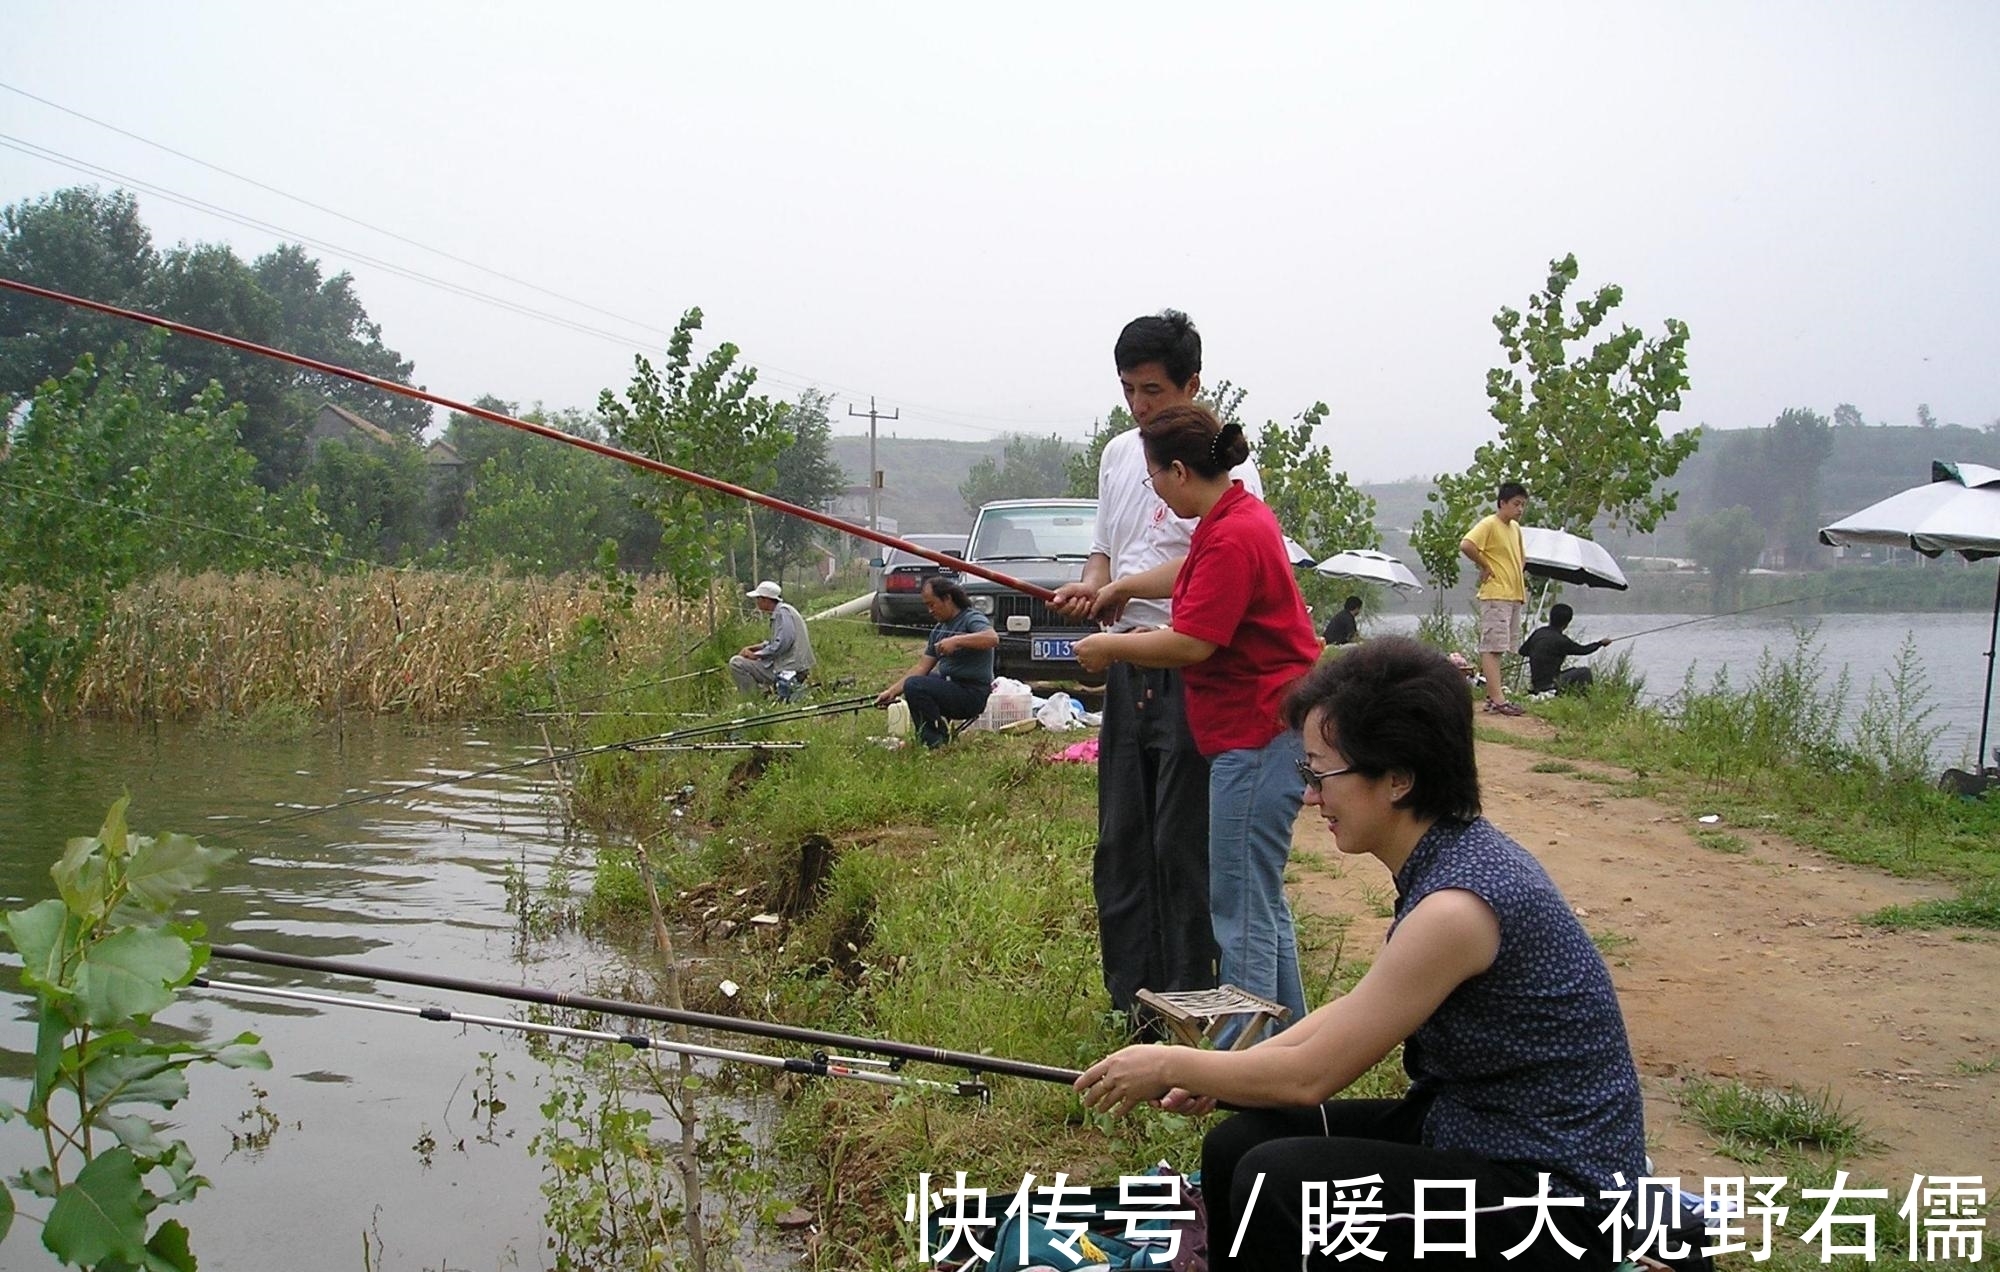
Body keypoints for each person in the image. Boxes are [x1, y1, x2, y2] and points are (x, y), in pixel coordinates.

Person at [1075, 637, 1647, 1270]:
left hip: (1557, 1192)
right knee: (1238, 1144)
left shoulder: (1457, 907)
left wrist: (1171, 1063)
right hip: (1468, 1127)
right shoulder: (1448, 859)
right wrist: (1218, 1071)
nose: (1311, 797)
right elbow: (1355, 1013)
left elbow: (1309, 1078)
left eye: (1319, 774)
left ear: (1398, 778)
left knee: (1279, 1182)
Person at [1050, 309, 1268, 1027]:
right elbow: (1104, 547)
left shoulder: (1226, 466)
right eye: (1128, 391)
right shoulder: (1119, 455)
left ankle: (1188, 1006)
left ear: (1191, 384)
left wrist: (1122, 595)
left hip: (1189, 664)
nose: (1140, 406)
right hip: (1128, 666)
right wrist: (1095, 583)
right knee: (1123, 840)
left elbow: (1215, 564)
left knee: (1182, 846)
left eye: (1153, 390)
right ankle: (1130, 1003)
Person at [1073, 402, 1318, 1029]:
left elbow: (1192, 643)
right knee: (1260, 906)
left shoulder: (1233, 534)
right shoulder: (1233, 517)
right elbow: (1190, 575)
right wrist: (1123, 588)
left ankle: (1246, 1068)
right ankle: (1288, 1048)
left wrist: (1110, 646)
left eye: (1153, 479)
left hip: (1256, 739)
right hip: (1263, 735)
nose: (1151, 490)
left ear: (1179, 472)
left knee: (1238, 911)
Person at [874, 577, 998, 748]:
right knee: (918, 682)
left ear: (947, 599)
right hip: (952, 687)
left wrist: (956, 641)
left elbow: (992, 638)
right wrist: (892, 691)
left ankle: (934, 742)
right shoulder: (939, 630)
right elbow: (921, 667)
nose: (930, 610)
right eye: (927, 605)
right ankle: (933, 734)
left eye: (932, 604)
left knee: (916, 686)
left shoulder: (971, 618)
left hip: (972, 693)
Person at [1459, 481, 1530, 716]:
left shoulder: (1515, 529)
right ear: (1502, 503)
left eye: (1523, 505)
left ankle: (1493, 695)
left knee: (1503, 646)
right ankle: (1498, 700)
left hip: (1513, 593)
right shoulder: (1489, 524)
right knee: (1492, 647)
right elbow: (1467, 544)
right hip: (1496, 594)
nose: (1520, 509)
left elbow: (1522, 558)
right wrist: (1485, 565)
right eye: (1516, 504)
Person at [728, 580, 815, 697]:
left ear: (766, 599)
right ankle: (764, 693)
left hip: (789, 668)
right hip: (792, 666)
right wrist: (753, 648)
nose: (757, 603)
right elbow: (775, 642)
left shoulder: (782, 612)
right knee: (752, 661)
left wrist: (756, 655)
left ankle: (752, 699)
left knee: (736, 663)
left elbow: (783, 643)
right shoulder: (783, 611)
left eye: (758, 599)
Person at [1520, 602, 1612, 697]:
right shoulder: (1562, 640)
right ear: (1567, 622)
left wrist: (1540, 654)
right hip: (1550, 684)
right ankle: (1586, 700)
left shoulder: (1539, 633)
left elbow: (1522, 651)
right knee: (1584, 672)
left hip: (1537, 684)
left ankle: (1564, 696)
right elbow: (1583, 650)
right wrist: (1600, 644)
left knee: (1573, 670)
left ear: (1550, 617)